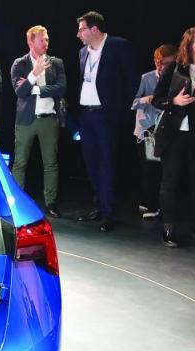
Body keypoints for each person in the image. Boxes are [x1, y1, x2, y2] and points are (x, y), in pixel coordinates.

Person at [152, 26, 195, 248]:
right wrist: (174, 102)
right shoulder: (174, 68)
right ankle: (168, 228)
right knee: (170, 182)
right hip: (174, 133)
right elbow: (156, 99)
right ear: (190, 44)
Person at [75, 11, 138, 232]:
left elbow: (132, 82)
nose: (78, 34)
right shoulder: (83, 52)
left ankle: (109, 213)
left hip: (106, 116)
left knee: (106, 164)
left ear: (94, 29)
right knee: (91, 163)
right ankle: (99, 207)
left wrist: (123, 113)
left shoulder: (118, 46)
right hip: (86, 115)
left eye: (81, 29)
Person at [10, 25, 67, 218]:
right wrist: (34, 74)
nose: (46, 43)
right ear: (30, 42)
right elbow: (20, 91)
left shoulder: (56, 63)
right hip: (26, 120)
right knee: (20, 162)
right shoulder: (20, 64)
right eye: (42, 40)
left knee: (51, 163)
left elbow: (61, 88)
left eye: (47, 39)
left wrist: (36, 89)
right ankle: (17, 202)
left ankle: (51, 202)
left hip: (48, 119)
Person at [131, 44, 177, 220]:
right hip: (146, 130)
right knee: (148, 169)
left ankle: (157, 204)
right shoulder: (146, 78)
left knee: (163, 170)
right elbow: (131, 102)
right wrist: (147, 99)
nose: (162, 67)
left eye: (167, 63)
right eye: (160, 63)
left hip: (166, 129)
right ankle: (149, 202)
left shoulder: (177, 79)